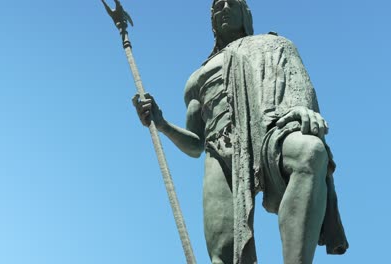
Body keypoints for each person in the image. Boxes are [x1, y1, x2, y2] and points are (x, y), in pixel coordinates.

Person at [133, 0, 348, 263]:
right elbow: (196, 145)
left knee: (310, 151)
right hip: (220, 150)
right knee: (222, 256)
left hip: (269, 130)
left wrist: (303, 108)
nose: (223, 8)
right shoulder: (197, 78)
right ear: (212, 22)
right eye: (217, 6)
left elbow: (297, 83)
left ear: (246, 14)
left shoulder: (274, 44)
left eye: (231, 3)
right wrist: (162, 123)